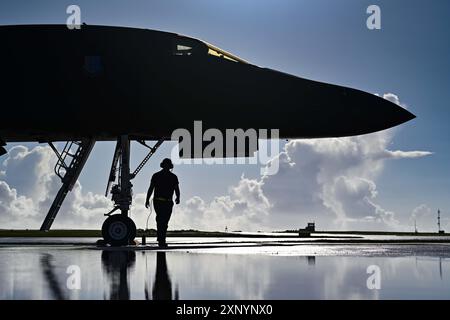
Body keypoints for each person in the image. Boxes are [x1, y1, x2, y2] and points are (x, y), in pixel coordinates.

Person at [145, 158, 180, 247]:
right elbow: (151, 188)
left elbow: (176, 189)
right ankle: (161, 239)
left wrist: (178, 197)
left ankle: (161, 237)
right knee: (161, 220)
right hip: (159, 201)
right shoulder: (156, 175)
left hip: (167, 202)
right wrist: (147, 199)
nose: (167, 167)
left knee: (164, 221)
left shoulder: (173, 177)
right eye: (166, 165)